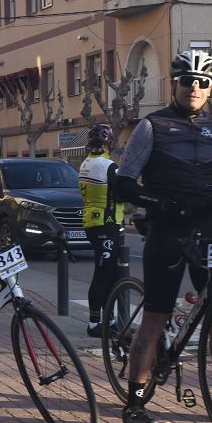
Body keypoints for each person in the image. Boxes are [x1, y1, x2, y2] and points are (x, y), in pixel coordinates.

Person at [115, 49, 212, 423]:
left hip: (206, 228)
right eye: (188, 81)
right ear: (175, 84)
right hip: (166, 228)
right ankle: (135, 400)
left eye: (203, 82)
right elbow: (123, 183)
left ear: (210, 88)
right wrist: (159, 204)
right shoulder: (151, 126)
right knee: (156, 314)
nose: (195, 88)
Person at [78, 123, 125, 338]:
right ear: (110, 144)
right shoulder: (109, 167)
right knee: (104, 275)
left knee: (107, 274)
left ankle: (108, 319)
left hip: (93, 223)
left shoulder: (85, 164)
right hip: (107, 224)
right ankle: (95, 323)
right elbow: (123, 194)